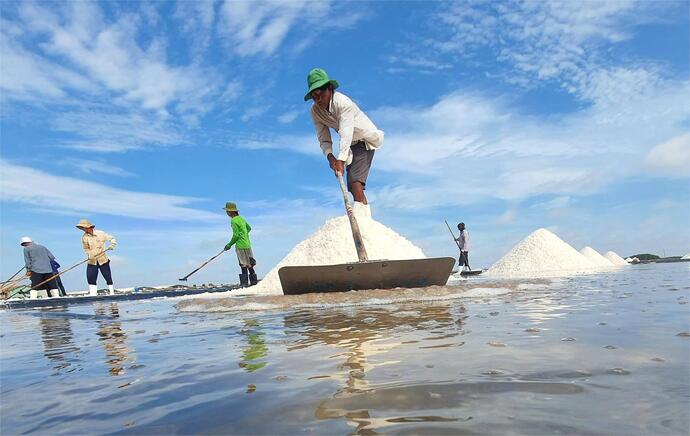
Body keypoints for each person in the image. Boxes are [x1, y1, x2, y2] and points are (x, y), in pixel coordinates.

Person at [305, 68, 384, 205]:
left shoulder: (342, 103)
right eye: (314, 96)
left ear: (329, 89)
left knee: (355, 182)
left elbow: (346, 132)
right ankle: (363, 216)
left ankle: (363, 219)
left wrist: (341, 160)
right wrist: (330, 157)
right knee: (352, 187)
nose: (318, 100)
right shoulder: (315, 111)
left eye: (320, 95)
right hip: (350, 147)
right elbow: (323, 137)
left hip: (363, 140)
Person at [76, 219, 117, 296]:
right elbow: (86, 248)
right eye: (81, 228)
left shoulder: (100, 233)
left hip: (103, 259)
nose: (82, 229)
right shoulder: (84, 237)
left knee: (107, 276)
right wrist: (89, 254)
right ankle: (93, 293)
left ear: (88, 227)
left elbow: (112, 238)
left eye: (83, 227)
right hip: (92, 260)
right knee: (90, 276)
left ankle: (111, 292)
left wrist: (112, 245)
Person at [222, 202, 257, 287]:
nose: (226, 213)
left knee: (243, 264)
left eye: (227, 211)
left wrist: (229, 245)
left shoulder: (233, 221)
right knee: (250, 264)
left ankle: (244, 284)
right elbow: (249, 228)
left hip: (240, 246)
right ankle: (254, 284)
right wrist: (244, 235)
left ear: (230, 212)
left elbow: (236, 235)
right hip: (247, 244)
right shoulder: (242, 219)